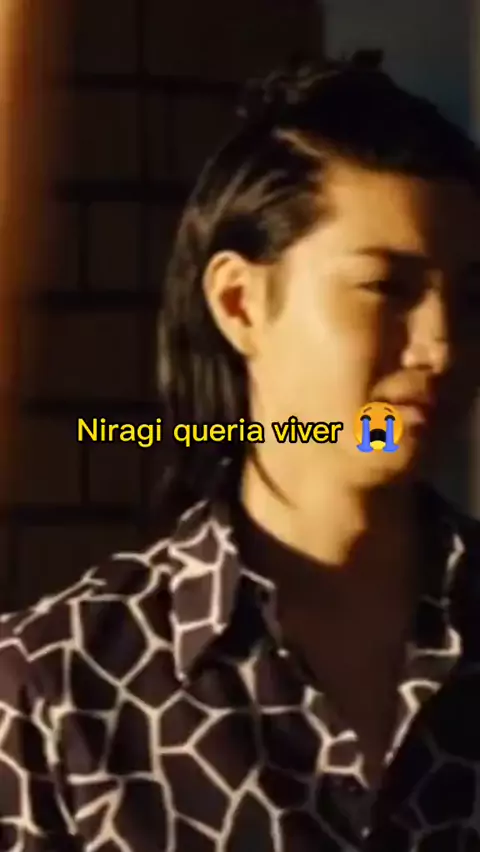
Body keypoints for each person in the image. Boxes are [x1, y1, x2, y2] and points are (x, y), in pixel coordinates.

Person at [1, 51, 480, 852]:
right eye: (386, 288)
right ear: (239, 303)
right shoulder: (60, 690)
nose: (441, 346)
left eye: (472, 299)